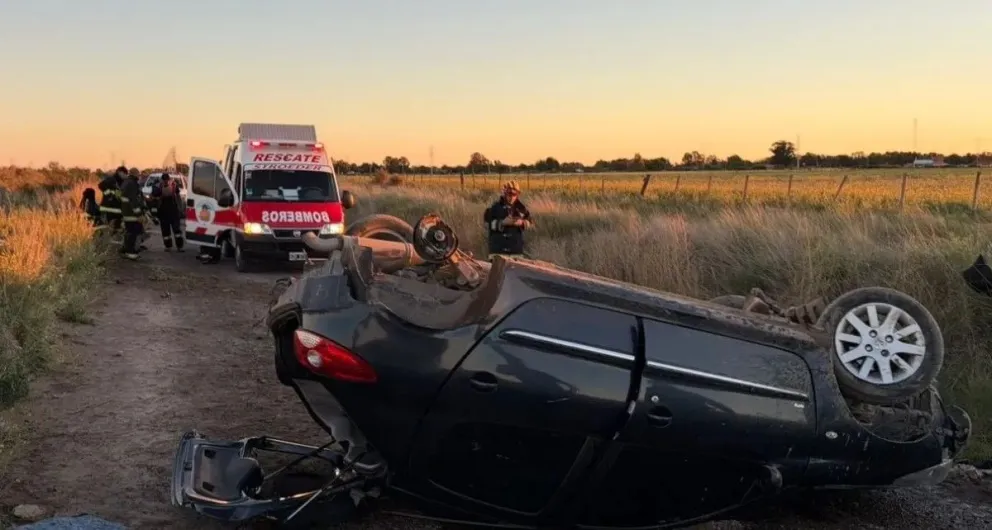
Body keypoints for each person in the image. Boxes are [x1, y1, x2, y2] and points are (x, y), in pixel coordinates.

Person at [483, 180, 533, 258]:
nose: (512, 197)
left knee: (515, 270)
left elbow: (529, 221)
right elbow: (488, 224)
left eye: (515, 194)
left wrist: (521, 223)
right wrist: (503, 223)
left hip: (516, 251)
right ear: (504, 193)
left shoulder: (521, 208)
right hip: (498, 252)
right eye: (509, 194)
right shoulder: (495, 208)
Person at [151, 174, 186, 252]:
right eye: (165, 180)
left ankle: (174, 246)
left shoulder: (170, 186)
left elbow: (178, 198)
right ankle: (173, 246)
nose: (166, 182)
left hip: (169, 211)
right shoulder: (163, 186)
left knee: (173, 231)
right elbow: (154, 197)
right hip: (167, 212)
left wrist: (180, 210)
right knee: (170, 231)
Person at [119, 167, 146, 260]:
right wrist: (139, 214)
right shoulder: (132, 184)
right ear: (135, 174)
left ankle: (126, 250)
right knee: (134, 232)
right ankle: (131, 253)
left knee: (129, 232)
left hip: (126, 213)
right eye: (138, 174)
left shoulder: (126, 182)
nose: (139, 176)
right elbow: (134, 200)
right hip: (132, 214)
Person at [98, 166, 127, 242]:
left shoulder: (121, 182)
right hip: (108, 208)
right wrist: (108, 195)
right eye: (125, 174)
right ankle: (106, 242)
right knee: (108, 227)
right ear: (120, 172)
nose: (125, 176)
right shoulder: (112, 179)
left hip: (116, 209)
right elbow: (101, 185)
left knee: (117, 226)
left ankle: (115, 241)